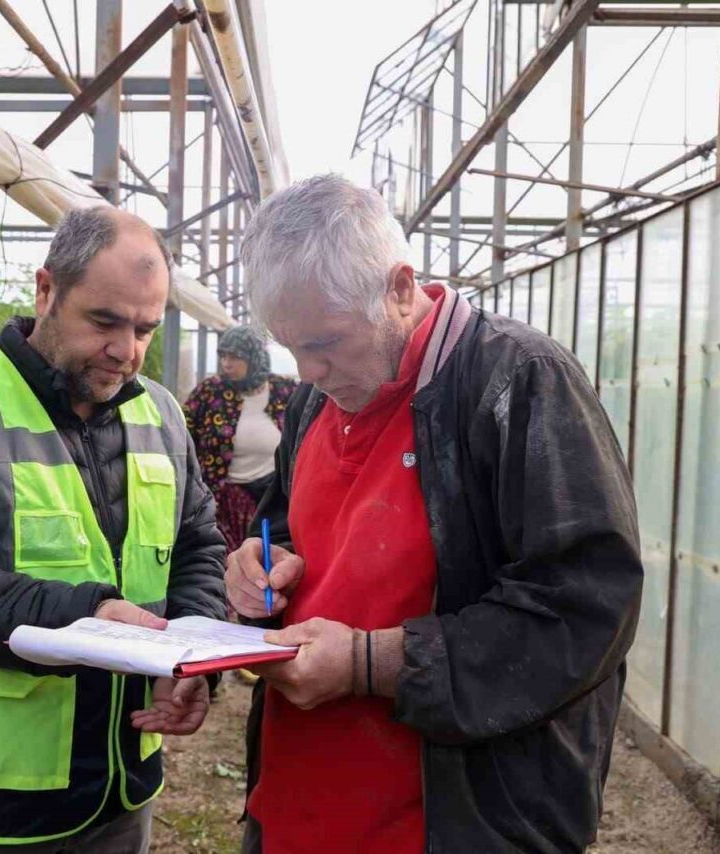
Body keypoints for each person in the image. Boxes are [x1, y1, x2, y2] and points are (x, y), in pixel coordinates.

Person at [224, 175, 643, 853]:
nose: (308, 371)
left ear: (398, 287)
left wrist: (371, 662)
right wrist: (257, 569)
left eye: (326, 342)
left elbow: (586, 607)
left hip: (455, 823)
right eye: (291, 346)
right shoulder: (313, 404)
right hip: (299, 801)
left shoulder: (515, 381)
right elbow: (283, 529)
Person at [0, 206, 227, 853]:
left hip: (120, 787)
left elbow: (198, 543)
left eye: (146, 328)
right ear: (46, 291)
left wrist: (190, 658)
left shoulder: (162, 416)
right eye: (105, 321)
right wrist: (90, 616)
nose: (127, 351)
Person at [182, 326, 297, 552]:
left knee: (268, 559)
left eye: (235, 357)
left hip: (272, 499)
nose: (226, 363)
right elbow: (183, 436)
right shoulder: (210, 391)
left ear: (254, 357)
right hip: (224, 501)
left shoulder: (285, 390)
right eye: (223, 356)